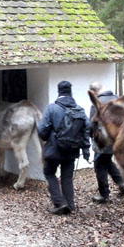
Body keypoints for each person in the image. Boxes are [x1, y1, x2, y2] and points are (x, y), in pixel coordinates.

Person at [38, 81, 90, 215]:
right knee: (67, 177)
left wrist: (46, 137)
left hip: (54, 149)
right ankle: (70, 205)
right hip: (72, 150)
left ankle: (60, 203)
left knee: (49, 173)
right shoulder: (80, 110)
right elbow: (87, 130)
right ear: (70, 92)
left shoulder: (52, 108)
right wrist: (85, 150)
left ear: (59, 92)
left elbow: (42, 129)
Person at [89, 81, 124, 204]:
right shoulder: (118, 100)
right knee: (107, 161)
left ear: (94, 92)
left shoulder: (97, 104)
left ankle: (104, 195)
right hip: (117, 140)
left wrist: (90, 136)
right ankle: (122, 183)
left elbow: (92, 124)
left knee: (99, 165)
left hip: (102, 141)